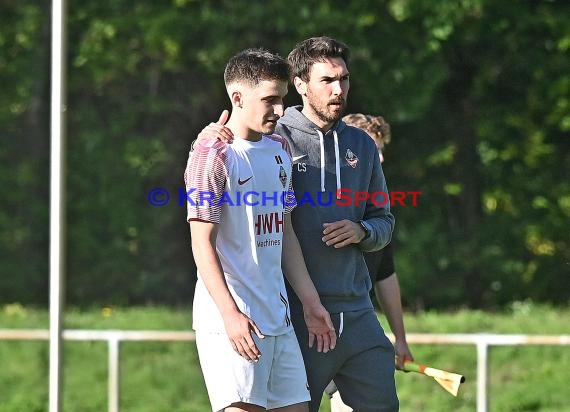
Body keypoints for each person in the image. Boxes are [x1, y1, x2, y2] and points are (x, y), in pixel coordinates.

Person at [196, 37, 398, 412]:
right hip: (289, 316)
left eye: (344, 79)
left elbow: (384, 223)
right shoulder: (271, 137)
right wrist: (205, 140)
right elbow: (203, 235)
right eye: (327, 80)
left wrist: (364, 232)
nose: (339, 90)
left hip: (352, 312)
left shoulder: (359, 147)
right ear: (300, 84)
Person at [184, 48, 336, 412]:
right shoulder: (211, 154)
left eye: (282, 99)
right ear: (237, 98)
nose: (280, 110)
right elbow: (201, 243)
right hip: (233, 322)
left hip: (278, 320)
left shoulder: (280, 149)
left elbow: (284, 234)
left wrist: (311, 302)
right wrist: (229, 315)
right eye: (269, 100)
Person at [326, 114, 414, 412]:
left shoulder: (378, 211)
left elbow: (385, 276)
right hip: (316, 328)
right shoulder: (324, 200)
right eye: (370, 149)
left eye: (379, 150)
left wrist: (400, 339)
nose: (379, 157)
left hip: (356, 332)